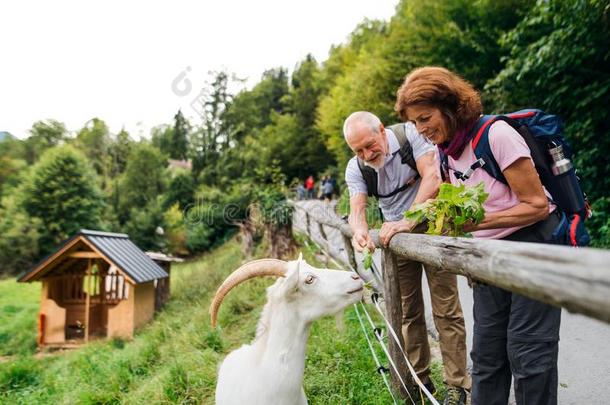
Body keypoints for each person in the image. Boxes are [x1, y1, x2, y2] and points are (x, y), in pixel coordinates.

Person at [395, 66, 562, 405]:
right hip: (488, 257)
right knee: (486, 357)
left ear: (451, 106)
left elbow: (537, 206)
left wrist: (477, 223)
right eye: (414, 123)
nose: (421, 130)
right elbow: (446, 199)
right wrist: (406, 222)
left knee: (528, 354)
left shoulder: (496, 135)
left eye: (425, 118)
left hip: (534, 246)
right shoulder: (448, 150)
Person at [343, 111, 470, 405]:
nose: (366, 154)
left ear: (382, 130)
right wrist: (360, 231)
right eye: (357, 150)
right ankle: (420, 381)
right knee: (406, 310)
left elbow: (433, 178)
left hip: (432, 224)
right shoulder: (356, 168)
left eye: (369, 145)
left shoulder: (410, 136)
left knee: (446, 308)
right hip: (394, 236)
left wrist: (408, 220)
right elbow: (357, 209)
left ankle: (456, 385)